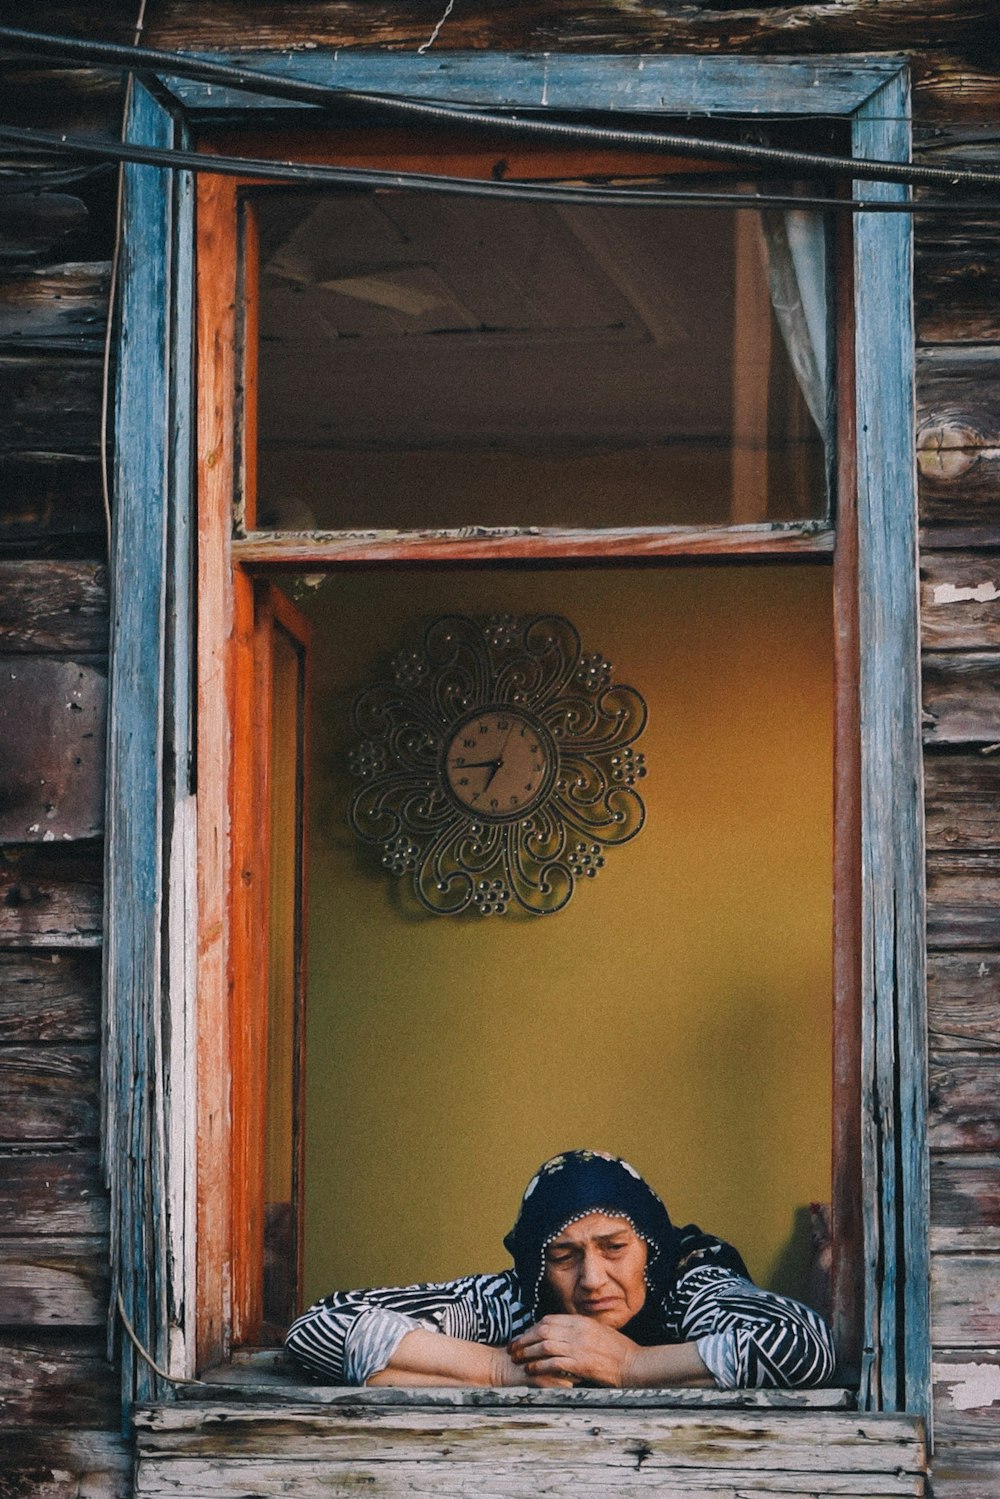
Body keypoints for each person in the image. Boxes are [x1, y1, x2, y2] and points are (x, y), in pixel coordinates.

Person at [284, 1149, 836, 1390]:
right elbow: (316, 1331)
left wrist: (631, 1366)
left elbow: (804, 1345)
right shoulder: (519, 1300)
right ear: (536, 1264)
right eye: (563, 1256)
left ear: (651, 1248)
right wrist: (499, 1370)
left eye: (614, 1247)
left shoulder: (688, 1281)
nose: (592, 1279)